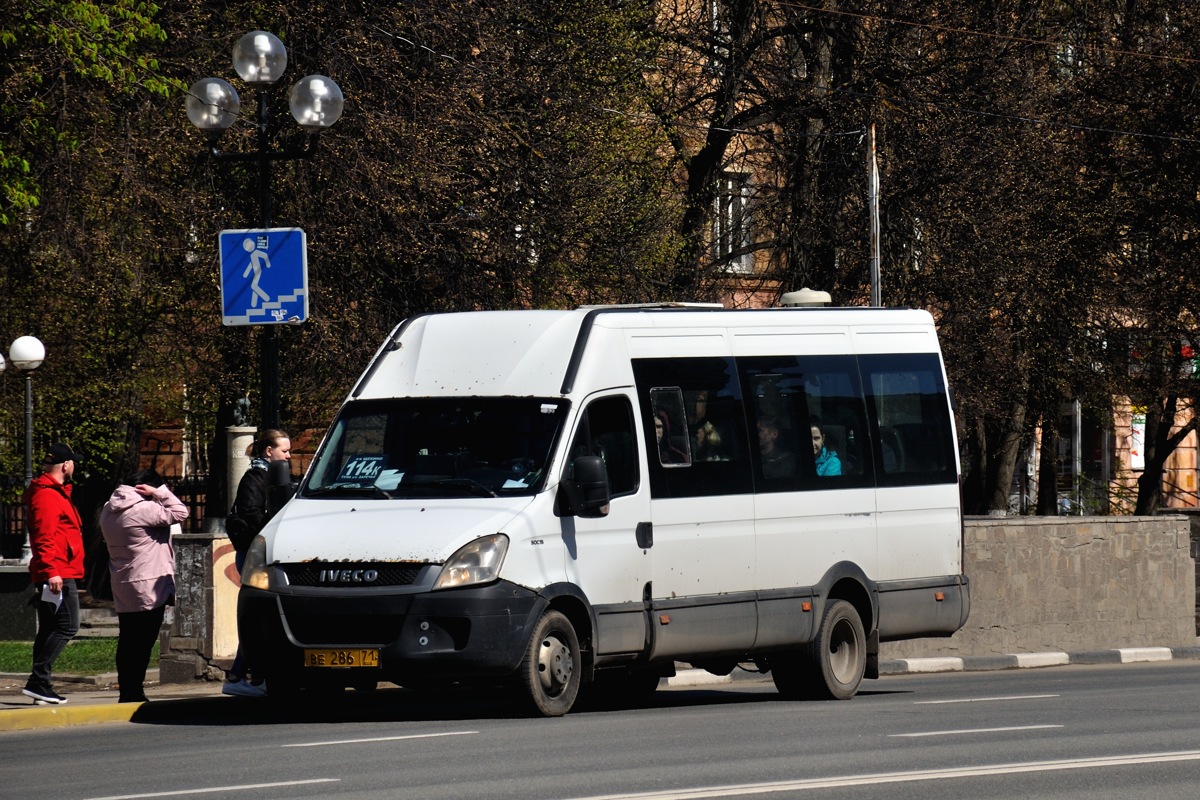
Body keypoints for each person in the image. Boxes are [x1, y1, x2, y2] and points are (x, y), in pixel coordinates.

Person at [99, 469, 189, 703]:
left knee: (128, 638)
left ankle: (126, 690)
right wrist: (160, 492)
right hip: (149, 584)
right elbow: (181, 512)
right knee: (143, 642)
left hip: (123, 582)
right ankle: (134, 691)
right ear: (145, 489)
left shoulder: (108, 510)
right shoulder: (143, 509)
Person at [223, 428, 291, 697]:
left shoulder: (272, 476)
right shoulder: (256, 476)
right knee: (257, 619)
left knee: (262, 618)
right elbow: (251, 513)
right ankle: (239, 676)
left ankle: (253, 675)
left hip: (262, 553)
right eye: (284, 451)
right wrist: (275, 527)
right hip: (255, 554)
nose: (288, 456)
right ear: (269, 451)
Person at [23, 443, 85, 705]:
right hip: (58, 572)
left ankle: (41, 686)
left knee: (50, 627)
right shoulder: (48, 494)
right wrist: (52, 571)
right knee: (68, 626)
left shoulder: (55, 492)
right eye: (74, 463)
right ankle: (38, 681)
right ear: (66, 465)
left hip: (57, 569)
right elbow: (44, 536)